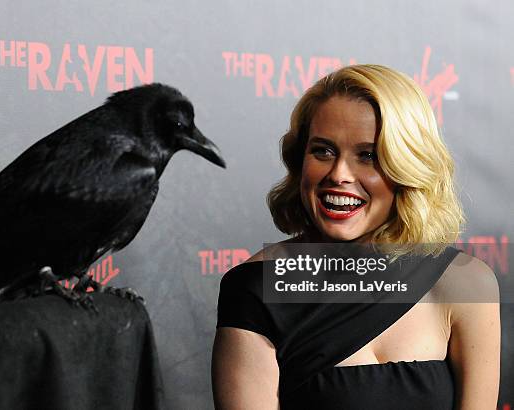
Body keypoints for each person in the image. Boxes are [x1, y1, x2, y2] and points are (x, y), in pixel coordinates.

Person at [212, 64, 500, 409]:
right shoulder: (256, 287)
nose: (339, 175)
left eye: (368, 155)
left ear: (407, 166)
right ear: (299, 159)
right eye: (323, 151)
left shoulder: (466, 283)